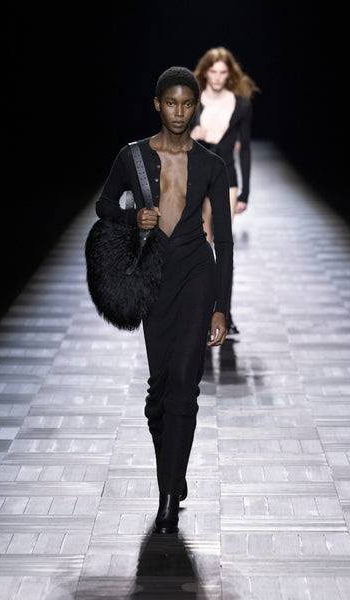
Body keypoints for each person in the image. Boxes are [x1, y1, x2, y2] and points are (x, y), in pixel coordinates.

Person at [95, 67, 233, 534]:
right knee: (159, 391)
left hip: (196, 271)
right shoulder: (132, 156)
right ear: (157, 104)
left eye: (187, 104)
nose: (178, 112)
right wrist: (133, 217)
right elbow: (104, 205)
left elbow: (224, 241)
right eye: (170, 103)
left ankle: (168, 496)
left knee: (184, 384)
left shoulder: (212, 165)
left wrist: (221, 306)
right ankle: (173, 469)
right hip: (153, 275)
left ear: (196, 107)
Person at [191, 47, 259, 334]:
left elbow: (245, 150)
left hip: (227, 179)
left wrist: (245, 192)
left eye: (222, 72)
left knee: (223, 245)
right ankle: (201, 310)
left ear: (229, 74)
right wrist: (191, 134)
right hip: (196, 179)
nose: (218, 77)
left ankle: (224, 313)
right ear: (205, 72)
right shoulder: (192, 102)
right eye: (213, 71)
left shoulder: (241, 105)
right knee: (200, 245)